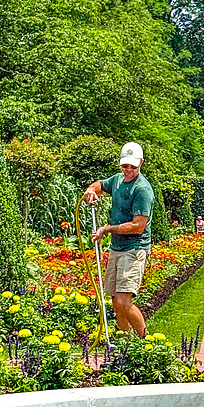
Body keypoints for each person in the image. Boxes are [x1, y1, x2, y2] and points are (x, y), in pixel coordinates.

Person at [84, 141, 154, 339]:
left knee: (124, 301)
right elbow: (100, 185)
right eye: (125, 165)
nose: (128, 170)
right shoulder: (117, 180)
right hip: (117, 248)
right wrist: (91, 191)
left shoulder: (142, 190)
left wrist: (107, 229)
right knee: (116, 302)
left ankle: (145, 343)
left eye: (133, 166)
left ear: (141, 162)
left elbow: (138, 225)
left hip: (135, 248)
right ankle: (125, 345)